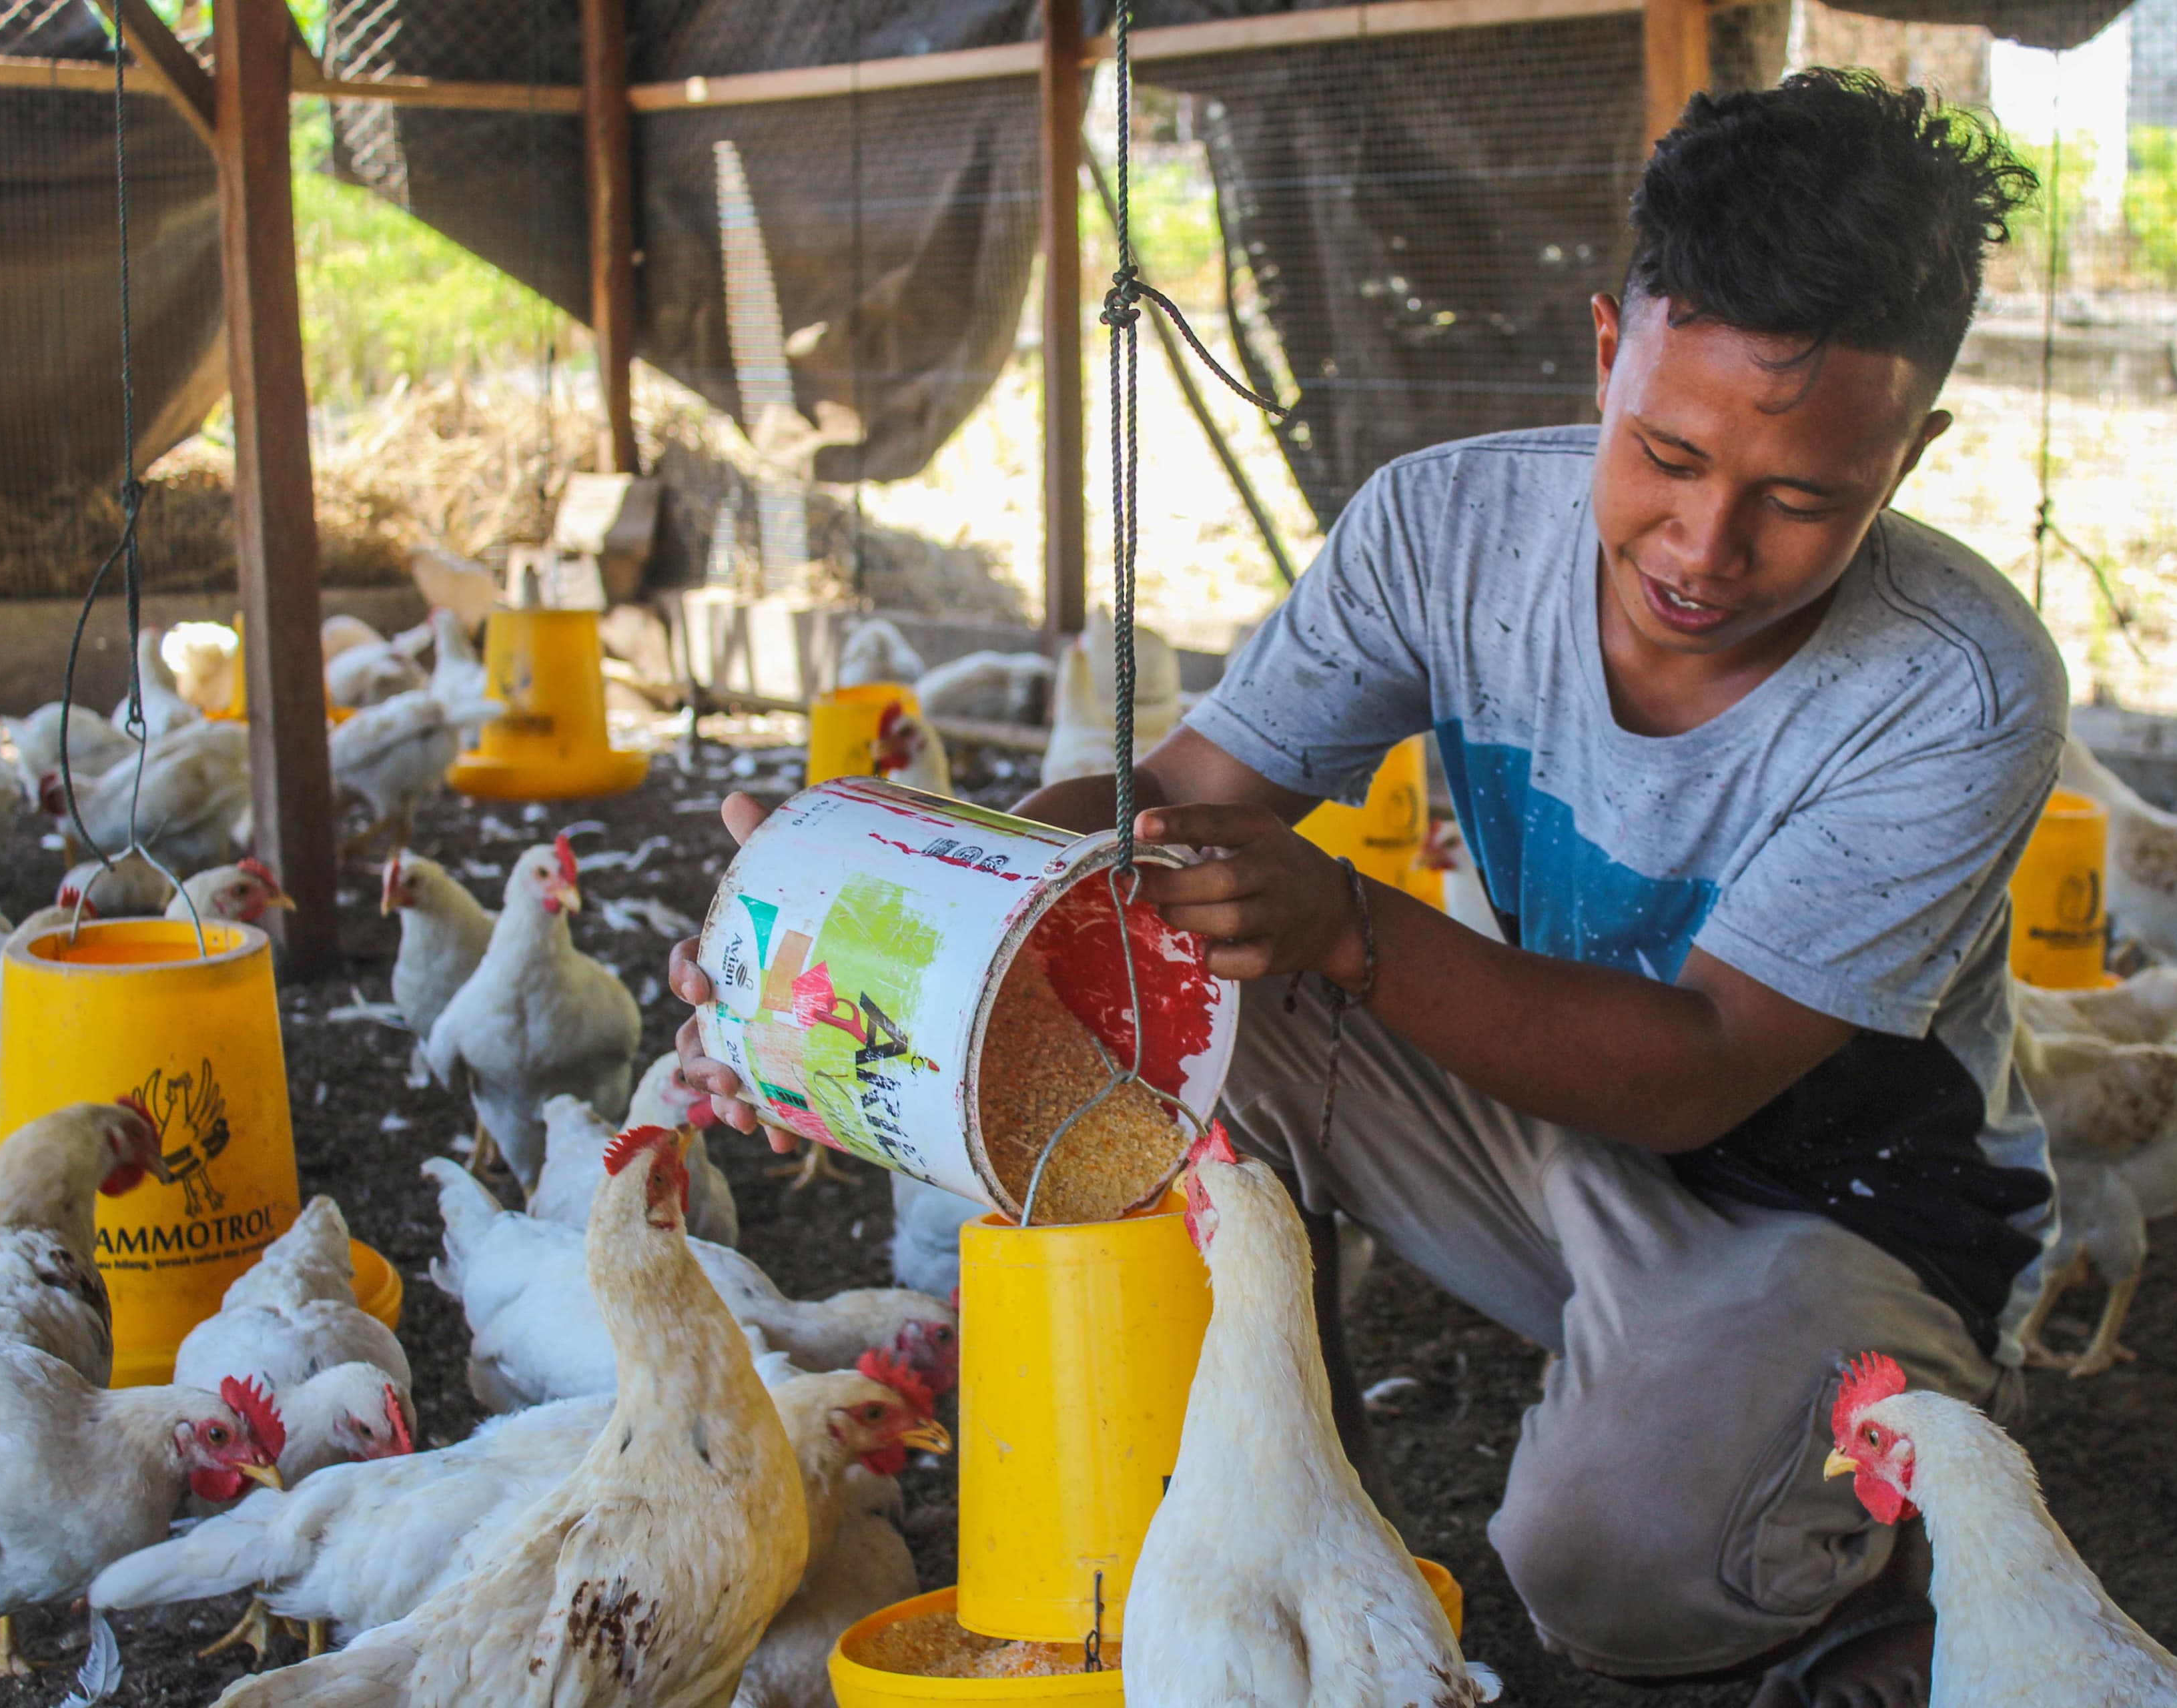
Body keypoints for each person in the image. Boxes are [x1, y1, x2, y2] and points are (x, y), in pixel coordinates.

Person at [673, 70, 2055, 1708]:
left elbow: (1700, 1068)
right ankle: (1275, 1518)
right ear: (1608, 346)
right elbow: (1179, 799)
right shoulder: (1443, 526)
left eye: (1803, 499)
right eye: (1666, 453)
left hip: (1836, 1213)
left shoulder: (1955, 688)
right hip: (1546, 1137)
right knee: (1150, 960)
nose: (1703, 541)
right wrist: (863, 912)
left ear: (1916, 451)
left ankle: (1864, 1556)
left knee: (1610, 1569)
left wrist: (1346, 923)